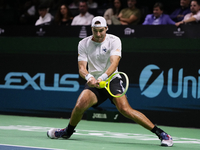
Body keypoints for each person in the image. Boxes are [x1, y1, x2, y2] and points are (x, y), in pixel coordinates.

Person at [47, 16, 173, 147]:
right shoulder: (83, 43)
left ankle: (162, 134)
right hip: (94, 81)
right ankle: (68, 131)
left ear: (106, 28)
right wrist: (89, 78)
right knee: (80, 105)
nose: (98, 34)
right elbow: (81, 68)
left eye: (101, 30)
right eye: (95, 30)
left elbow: (114, 63)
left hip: (112, 80)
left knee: (125, 110)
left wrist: (102, 78)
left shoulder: (114, 40)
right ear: (91, 29)